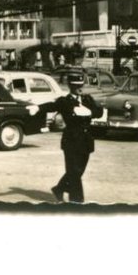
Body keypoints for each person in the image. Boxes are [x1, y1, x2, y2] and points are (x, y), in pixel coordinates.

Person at [39, 70, 102, 203]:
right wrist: (37, 108)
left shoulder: (87, 99)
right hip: (72, 140)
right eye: (76, 86)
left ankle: (59, 189)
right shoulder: (65, 101)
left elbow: (99, 111)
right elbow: (51, 106)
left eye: (81, 85)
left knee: (78, 171)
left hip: (86, 141)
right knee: (74, 171)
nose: (80, 88)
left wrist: (90, 112)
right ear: (70, 86)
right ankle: (77, 200)